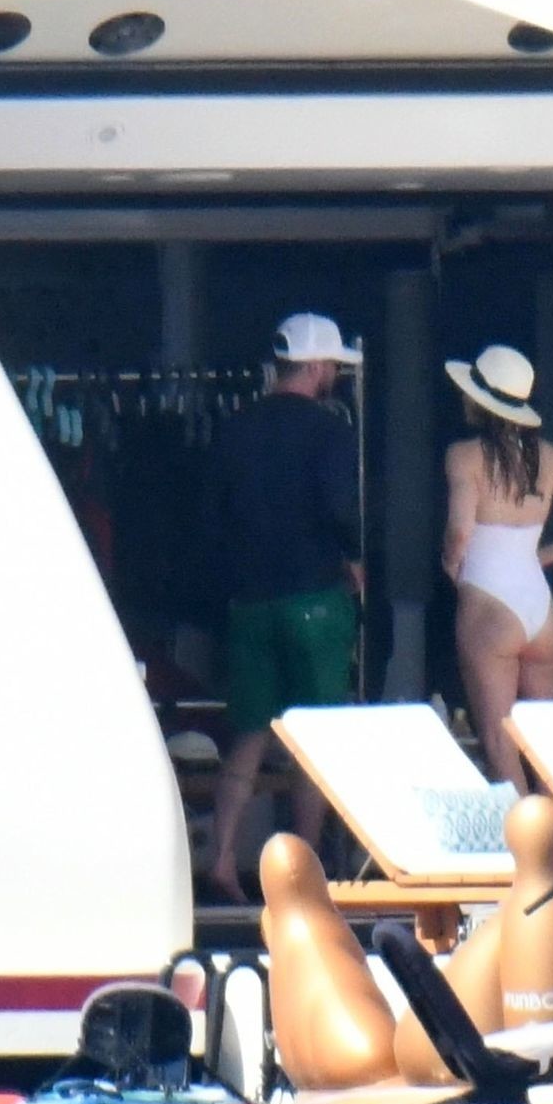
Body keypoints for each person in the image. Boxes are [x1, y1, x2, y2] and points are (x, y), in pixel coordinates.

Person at [202, 312, 365, 904]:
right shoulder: (329, 431)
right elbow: (339, 507)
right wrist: (355, 558)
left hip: (250, 600)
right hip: (314, 596)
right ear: (317, 367)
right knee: (313, 741)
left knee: (248, 734)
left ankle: (222, 858)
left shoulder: (235, 428)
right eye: (332, 367)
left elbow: (213, 513)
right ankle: (301, 875)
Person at [443, 345, 553, 791]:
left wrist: (451, 561)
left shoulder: (464, 456)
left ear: (479, 402)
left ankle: (524, 836)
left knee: (500, 746)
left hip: (489, 606)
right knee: (546, 746)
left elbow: (461, 529)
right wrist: (544, 556)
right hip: (540, 609)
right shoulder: (550, 458)